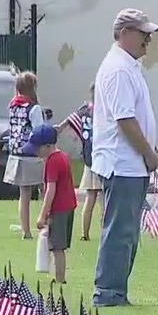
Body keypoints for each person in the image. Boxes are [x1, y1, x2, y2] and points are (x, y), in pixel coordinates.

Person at [91, 8, 158, 308]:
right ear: (124, 34)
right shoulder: (118, 69)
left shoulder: (128, 66)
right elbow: (125, 119)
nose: (148, 39)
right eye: (142, 33)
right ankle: (108, 292)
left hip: (130, 163)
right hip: (123, 162)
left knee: (127, 231)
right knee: (120, 231)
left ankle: (115, 289)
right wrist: (149, 153)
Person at [24, 124, 78, 285]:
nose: (36, 152)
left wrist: (42, 215)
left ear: (48, 146)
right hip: (68, 206)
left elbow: (51, 191)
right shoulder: (62, 156)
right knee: (58, 246)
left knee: (57, 247)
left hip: (59, 209)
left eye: (38, 148)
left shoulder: (53, 161)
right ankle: (58, 276)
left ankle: (60, 279)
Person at [3, 71, 47, 239]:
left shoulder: (13, 106)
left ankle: (25, 230)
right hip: (33, 154)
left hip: (16, 153)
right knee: (44, 189)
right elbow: (38, 131)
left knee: (24, 194)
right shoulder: (33, 108)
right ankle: (45, 224)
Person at [57, 83, 101, 241]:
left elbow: (70, 119)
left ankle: (85, 233)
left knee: (90, 198)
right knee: (103, 200)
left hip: (89, 159)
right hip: (102, 160)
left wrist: (60, 128)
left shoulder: (85, 110)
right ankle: (104, 232)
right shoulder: (102, 110)